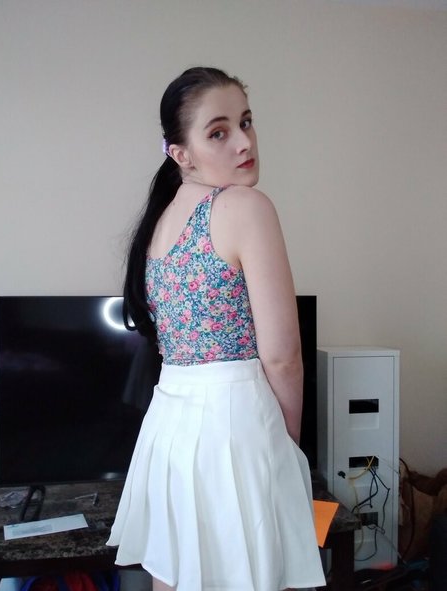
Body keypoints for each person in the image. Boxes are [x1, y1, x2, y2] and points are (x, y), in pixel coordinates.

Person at [107, 67, 326, 591]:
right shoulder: (246, 207)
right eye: (219, 132)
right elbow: (283, 357)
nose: (244, 142)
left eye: (246, 122)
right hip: (238, 423)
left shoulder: (160, 222)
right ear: (181, 153)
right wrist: (287, 447)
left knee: (178, 570)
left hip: (169, 428)